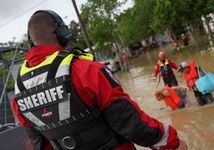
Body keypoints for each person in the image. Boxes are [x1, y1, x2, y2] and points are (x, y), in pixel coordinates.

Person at [10, 10, 187, 150]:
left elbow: (39, 143)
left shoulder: (18, 93)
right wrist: (172, 141)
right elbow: (130, 123)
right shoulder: (87, 71)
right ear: (61, 32)